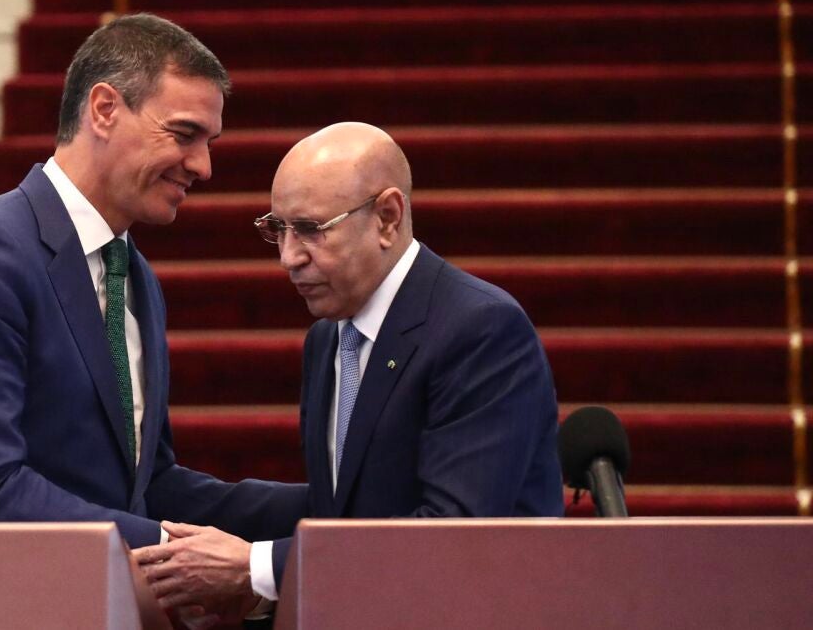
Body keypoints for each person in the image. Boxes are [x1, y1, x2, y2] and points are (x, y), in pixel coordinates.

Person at [0, 14, 305, 566]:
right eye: (184, 134)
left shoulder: (133, 274)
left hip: (95, 598)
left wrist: (328, 508)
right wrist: (176, 553)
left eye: (208, 142)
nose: (203, 167)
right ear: (105, 109)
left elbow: (147, 486)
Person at [135, 122, 564, 612]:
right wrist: (166, 499)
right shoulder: (329, 338)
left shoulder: (480, 330)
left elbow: (452, 534)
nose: (288, 258)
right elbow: (342, 509)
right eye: (278, 230)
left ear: (387, 217)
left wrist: (256, 566)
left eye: (310, 230)